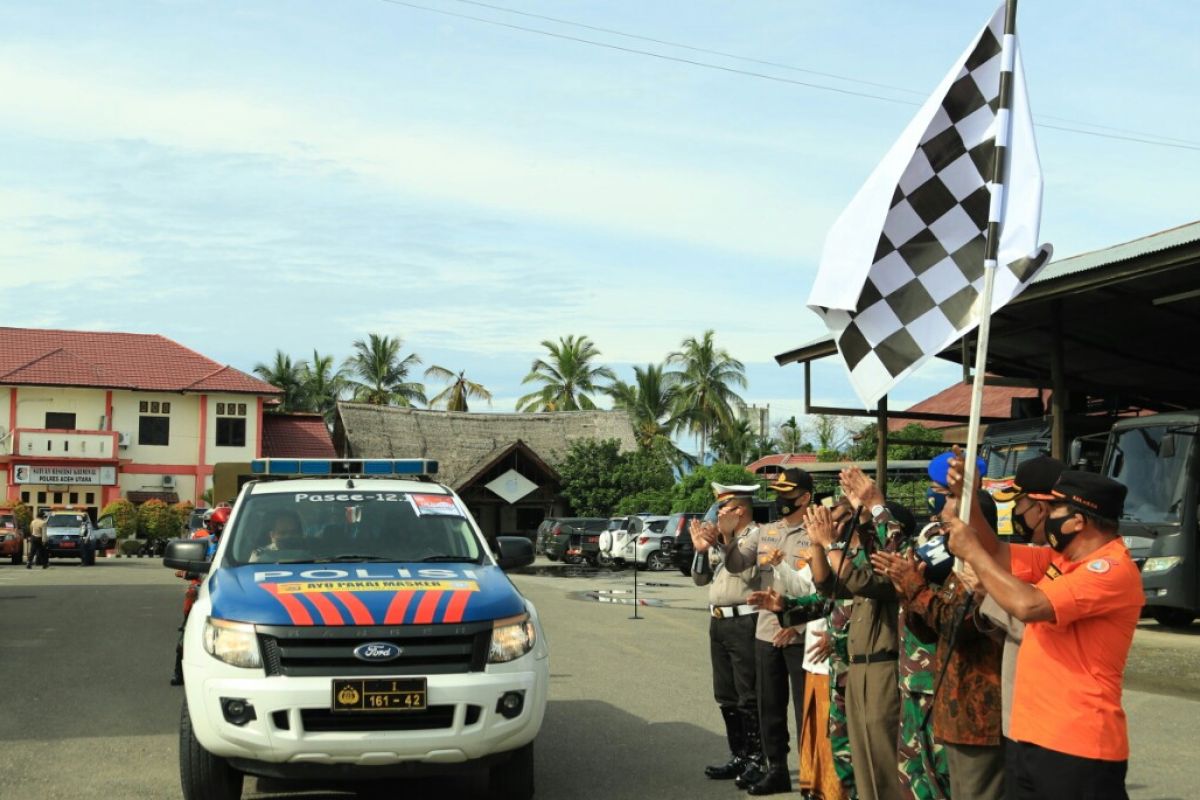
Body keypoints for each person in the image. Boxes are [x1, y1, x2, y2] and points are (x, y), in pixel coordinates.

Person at [944, 464, 1142, 800]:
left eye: (1053, 509)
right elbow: (997, 552)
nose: (1044, 516)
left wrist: (972, 553)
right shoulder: (1061, 559)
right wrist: (971, 500)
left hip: (1078, 746)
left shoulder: (1110, 569)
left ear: (1079, 521)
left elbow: (1028, 606)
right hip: (1032, 736)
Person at [874, 487, 1005, 800]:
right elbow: (932, 632)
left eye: (947, 526)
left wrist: (916, 588)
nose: (942, 536)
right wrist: (908, 590)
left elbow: (958, 625)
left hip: (978, 717)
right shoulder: (956, 571)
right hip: (950, 711)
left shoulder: (988, 571)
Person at [809, 467, 911, 800]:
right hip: (854, 667)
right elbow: (827, 585)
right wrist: (822, 543)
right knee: (861, 764)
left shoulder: (890, 565)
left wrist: (834, 541)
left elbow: (864, 579)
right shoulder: (859, 558)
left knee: (886, 768)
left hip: (884, 668)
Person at [718, 467, 816, 795]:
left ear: (805, 497)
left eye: (788, 495)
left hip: (800, 633)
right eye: (777, 494)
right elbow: (736, 565)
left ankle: (812, 775)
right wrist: (728, 536)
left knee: (806, 711)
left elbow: (822, 588)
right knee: (769, 707)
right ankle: (776, 770)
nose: (781, 500)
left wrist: (798, 625)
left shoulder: (817, 532)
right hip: (765, 631)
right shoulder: (765, 532)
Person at [690, 483, 765, 786]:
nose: (720, 513)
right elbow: (699, 578)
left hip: (744, 622)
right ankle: (739, 756)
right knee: (726, 696)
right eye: (719, 508)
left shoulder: (756, 535)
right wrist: (700, 550)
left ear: (741, 510)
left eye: (725, 508)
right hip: (719, 623)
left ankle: (757, 760)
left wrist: (725, 540)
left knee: (748, 696)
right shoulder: (723, 539)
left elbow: (743, 571)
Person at [171, 506, 230, 685]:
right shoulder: (204, 543)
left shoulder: (245, 543)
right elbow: (187, 564)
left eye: (227, 528)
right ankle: (178, 670)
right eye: (221, 528)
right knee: (189, 615)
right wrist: (187, 571)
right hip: (203, 587)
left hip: (230, 591)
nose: (224, 532)